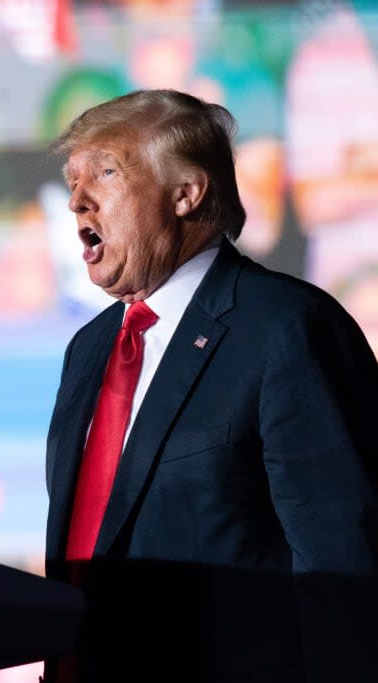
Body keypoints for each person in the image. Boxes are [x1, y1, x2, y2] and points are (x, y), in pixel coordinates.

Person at [43, 89, 377, 682]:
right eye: (72, 180)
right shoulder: (89, 348)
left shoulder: (285, 328)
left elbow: (345, 569)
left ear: (186, 192)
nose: (77, 201)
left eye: (106, 173)